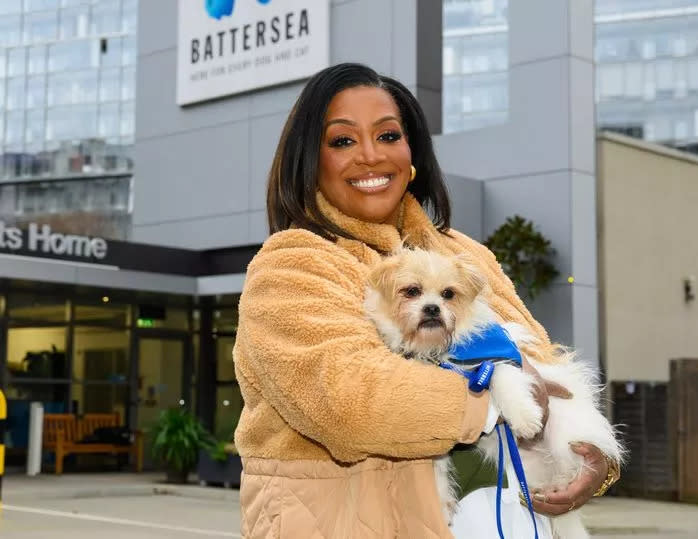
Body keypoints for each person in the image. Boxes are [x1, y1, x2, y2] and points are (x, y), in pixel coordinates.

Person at [233, 62, 617, 538]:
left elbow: (539, 361)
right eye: (343, 141)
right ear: (310, 160)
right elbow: (345, 398)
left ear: (412, 152)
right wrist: (495, 396)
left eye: (389, 136)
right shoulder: (293, 263)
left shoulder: (465, 253)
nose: (370, 156)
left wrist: (585, 455)